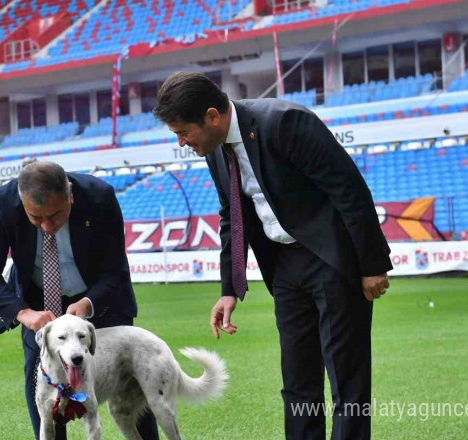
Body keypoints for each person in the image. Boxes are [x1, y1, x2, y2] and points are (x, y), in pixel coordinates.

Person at [153, 72, 392, 440]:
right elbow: (232, 214)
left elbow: (350, 190)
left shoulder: (284, 123)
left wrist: (372, 265)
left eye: (183, 133)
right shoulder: (215, 150)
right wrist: (229, 288)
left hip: (331, 259)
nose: (182, 142)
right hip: (284, 269)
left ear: (212, 116)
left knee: (347, 380)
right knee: (297, 381)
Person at [0, 161, 159, 440]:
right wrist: (23, 313)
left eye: (56, 216)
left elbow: (115, 269)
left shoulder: (99, 196)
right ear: (23, 202)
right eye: (36, 218)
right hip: (40, 312)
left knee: (134, 395)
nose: (47, 227)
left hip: (100, 302)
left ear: (69, 195)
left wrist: (87, 303)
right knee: (47, 401)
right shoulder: (5, 202)